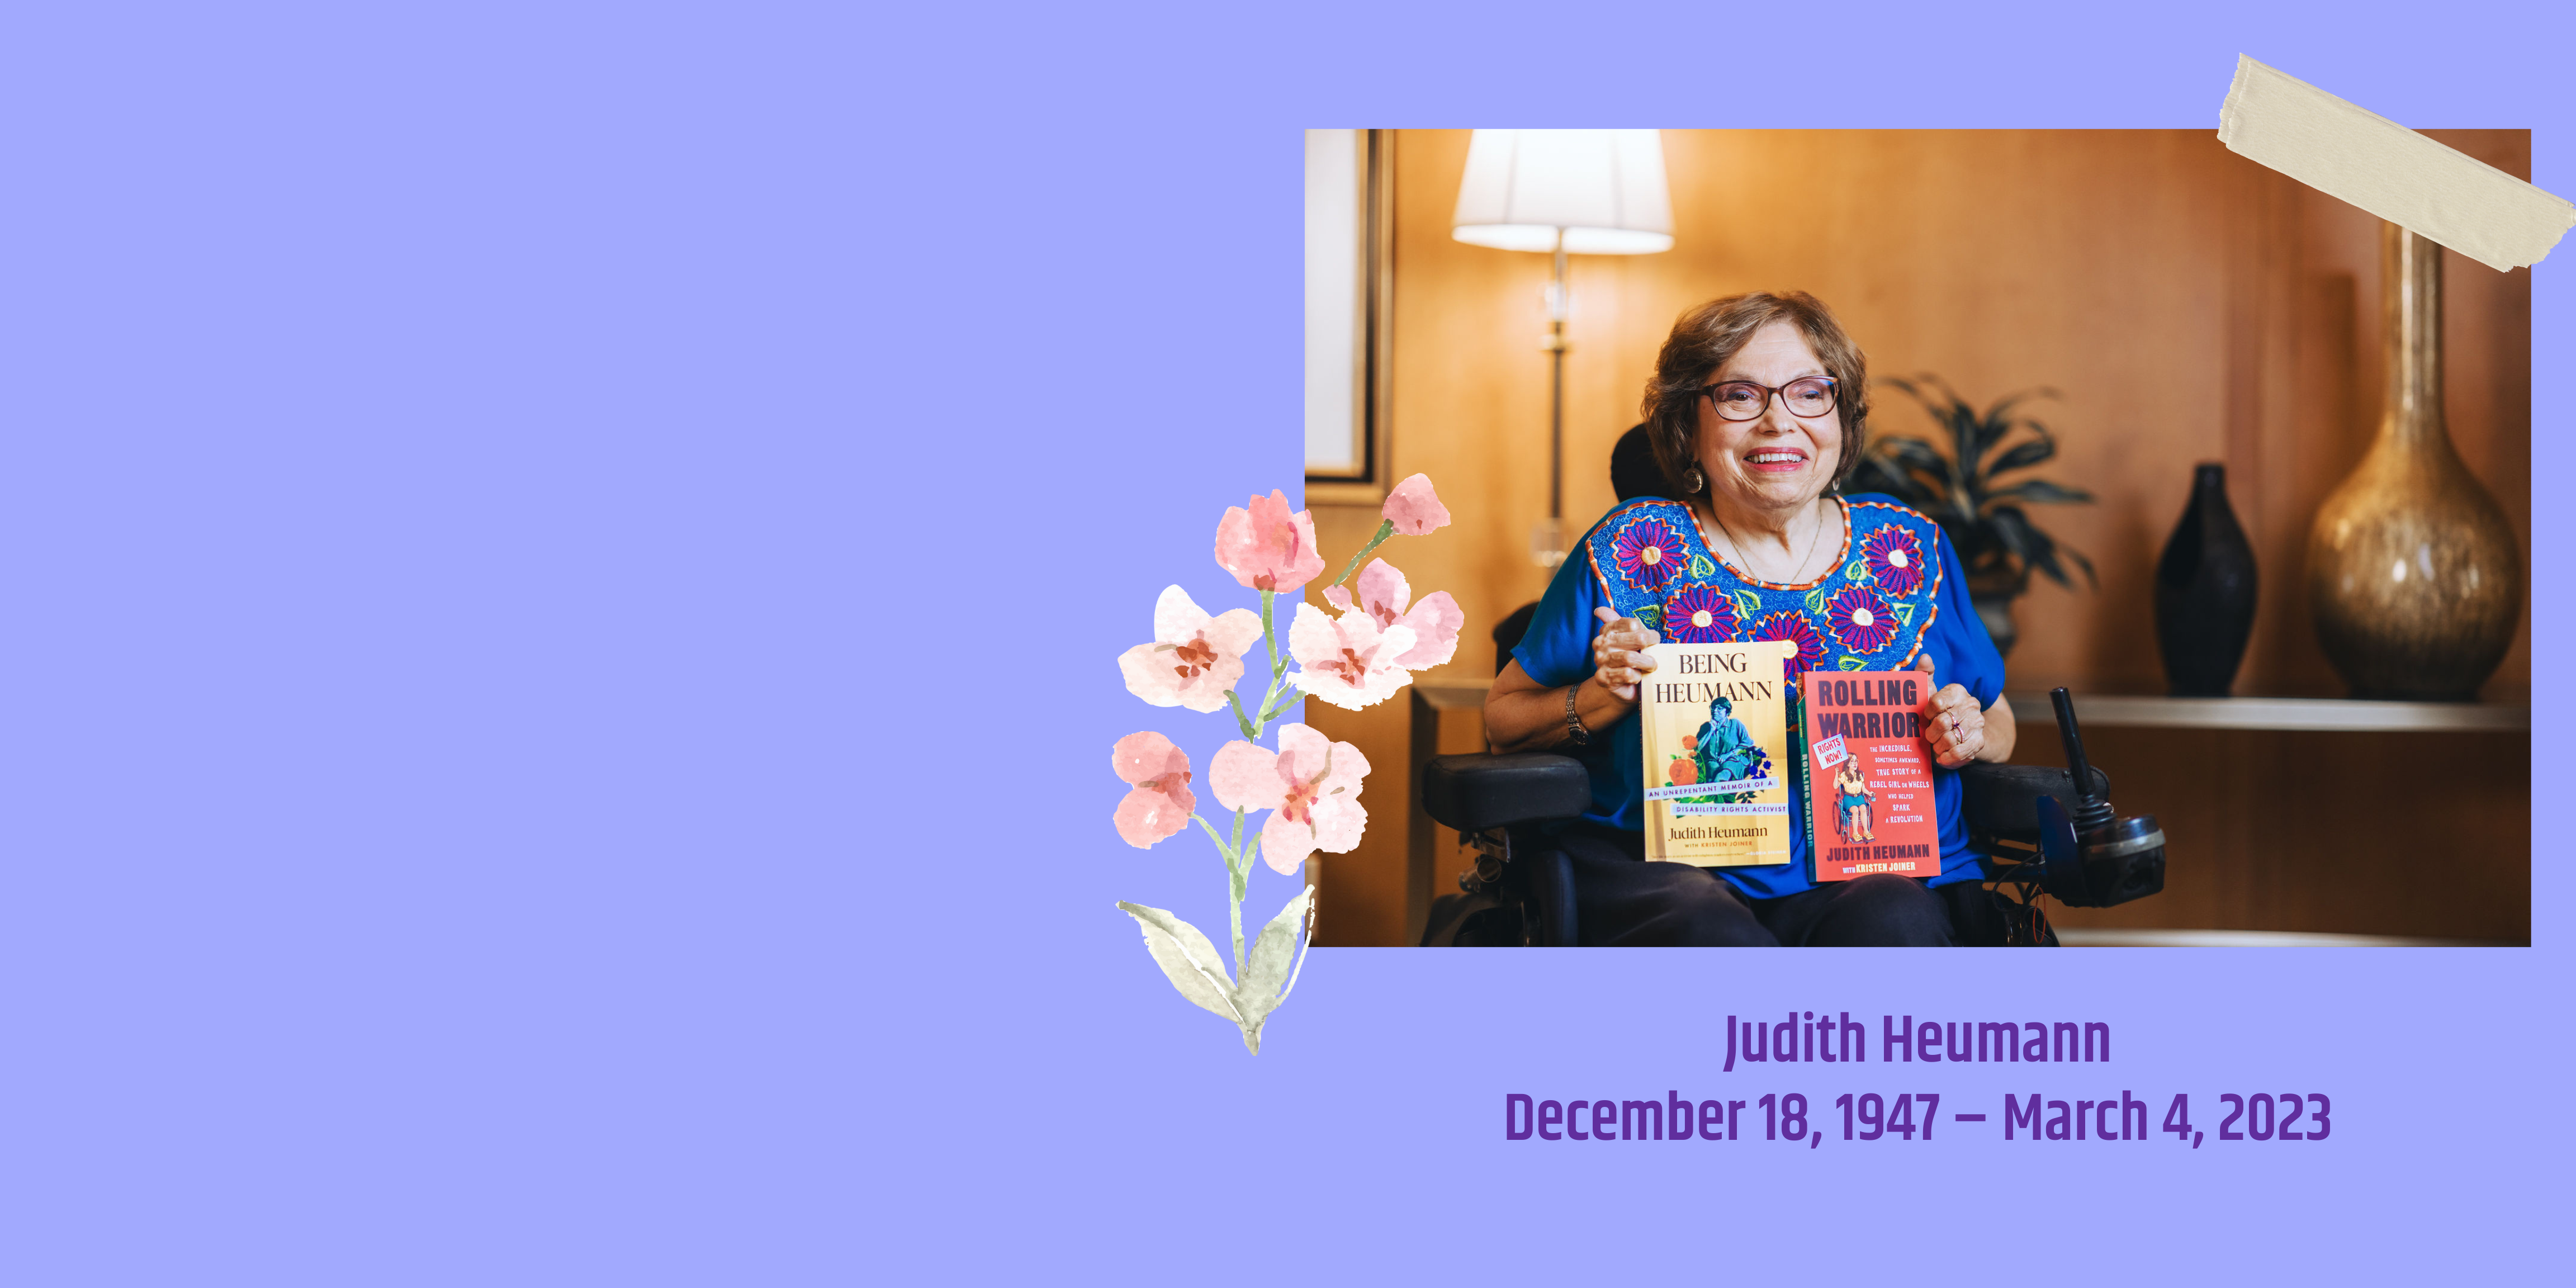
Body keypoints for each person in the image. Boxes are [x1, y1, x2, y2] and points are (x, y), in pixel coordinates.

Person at [1483, 290, 2017, 946]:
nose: (1778, 422)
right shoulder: (1631, 546)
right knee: (1711, 937)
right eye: (1740, 395)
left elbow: (1999, 719)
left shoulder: (1910, 547)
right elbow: (1502, 719)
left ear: (1842, 417)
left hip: (1874, 864)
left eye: (1809, 392)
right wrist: (1602, 696)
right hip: (1666, 869)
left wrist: (1966, 731)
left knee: (1892, 923)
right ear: (1689, 426)